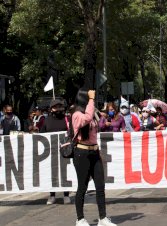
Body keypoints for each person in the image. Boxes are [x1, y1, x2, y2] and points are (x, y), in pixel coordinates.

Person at [72, 89, 116, 226]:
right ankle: (80, 219)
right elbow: (87, 119)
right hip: (82, 153)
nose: (92, 99)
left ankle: (103, 218)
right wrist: (91, 100)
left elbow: (98, 125)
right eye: (90, 98)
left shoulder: (91, 112)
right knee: (82, 187)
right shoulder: (77, 114)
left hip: (94, 152)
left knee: (100, 186)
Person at [40, 99, 71, 205]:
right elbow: (42, 134)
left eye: (60, 107)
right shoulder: (47, 120)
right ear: (51, 109)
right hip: (50, 152)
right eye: (56, 107)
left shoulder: (67, 119)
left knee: (64, 172)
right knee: (51, 173)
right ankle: (52, 195)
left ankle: (66, 195)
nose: (58, 109)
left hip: (64, 151)